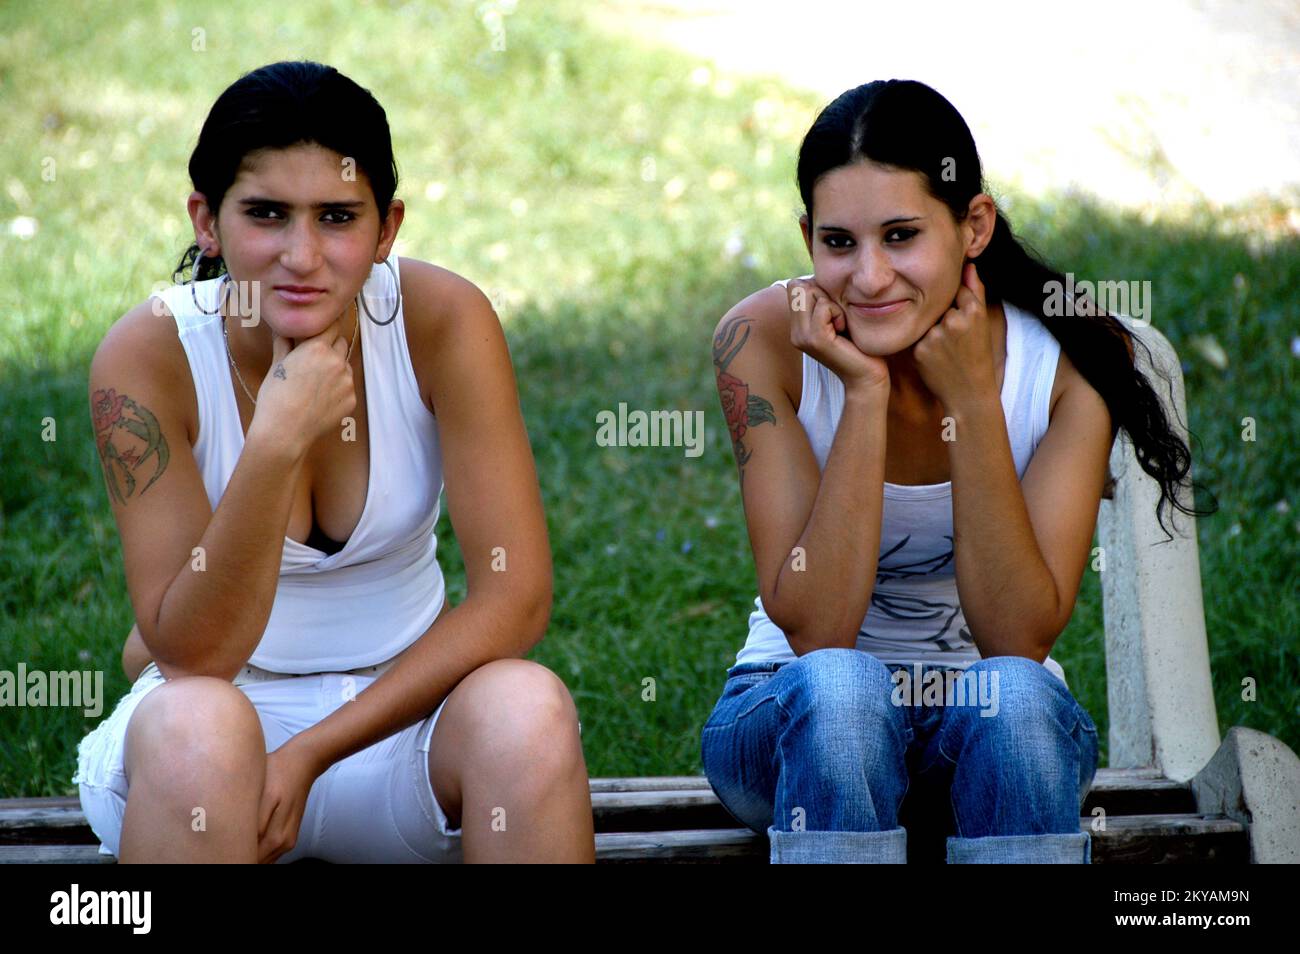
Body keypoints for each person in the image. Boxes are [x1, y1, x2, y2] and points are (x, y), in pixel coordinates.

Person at [74, 60, 595, 863]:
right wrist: (276, 440)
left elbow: (516, 600)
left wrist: (314, 751)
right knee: (195, 722)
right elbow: (192, 656)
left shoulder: (441, 320)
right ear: (206, 221)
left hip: (403, 727)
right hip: (214, 753)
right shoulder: (149, 355)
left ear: (386, 228)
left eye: (337, 217)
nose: (302, 255)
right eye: (267, 214)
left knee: (529, 707)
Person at [701, 79, 1213, 864]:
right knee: (844, 690)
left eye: (901, 235)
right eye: (839, 243)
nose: (868, 278)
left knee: (1012, 695)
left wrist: (973, 401)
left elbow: (1016, 638)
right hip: (792, 719)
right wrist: (864, 391)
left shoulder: (1064, 363)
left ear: (973, 225)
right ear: (808, 238)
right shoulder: (760, 341)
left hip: (995, 733)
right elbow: (820, 629)